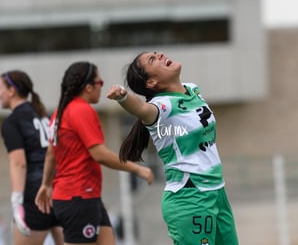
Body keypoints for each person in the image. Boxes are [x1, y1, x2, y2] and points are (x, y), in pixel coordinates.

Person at [106, 51, 239, 245]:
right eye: (152, 60)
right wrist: (123, 97)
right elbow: (142, 109)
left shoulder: (192, 89)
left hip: (217, 192)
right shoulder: (162, 106)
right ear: (151, 83)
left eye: (156, 53)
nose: (159, 55)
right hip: (190, 197)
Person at [34, 61, 154, 245]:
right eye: (100, 83)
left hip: (84, 197)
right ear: (88, 87)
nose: (101, 87)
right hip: (78, 197)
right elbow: (99, 154)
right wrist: (137, 169)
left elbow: (51, 154)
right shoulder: (81, 110)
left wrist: (46, 184)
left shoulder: (60, 112)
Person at [0, 70, 63, 245]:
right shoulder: (45, 116)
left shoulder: (13, 121)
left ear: (11, 91)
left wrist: (17, 201)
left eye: (0, 88)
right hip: (60, 191)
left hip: (36, 197)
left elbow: (19, 163)